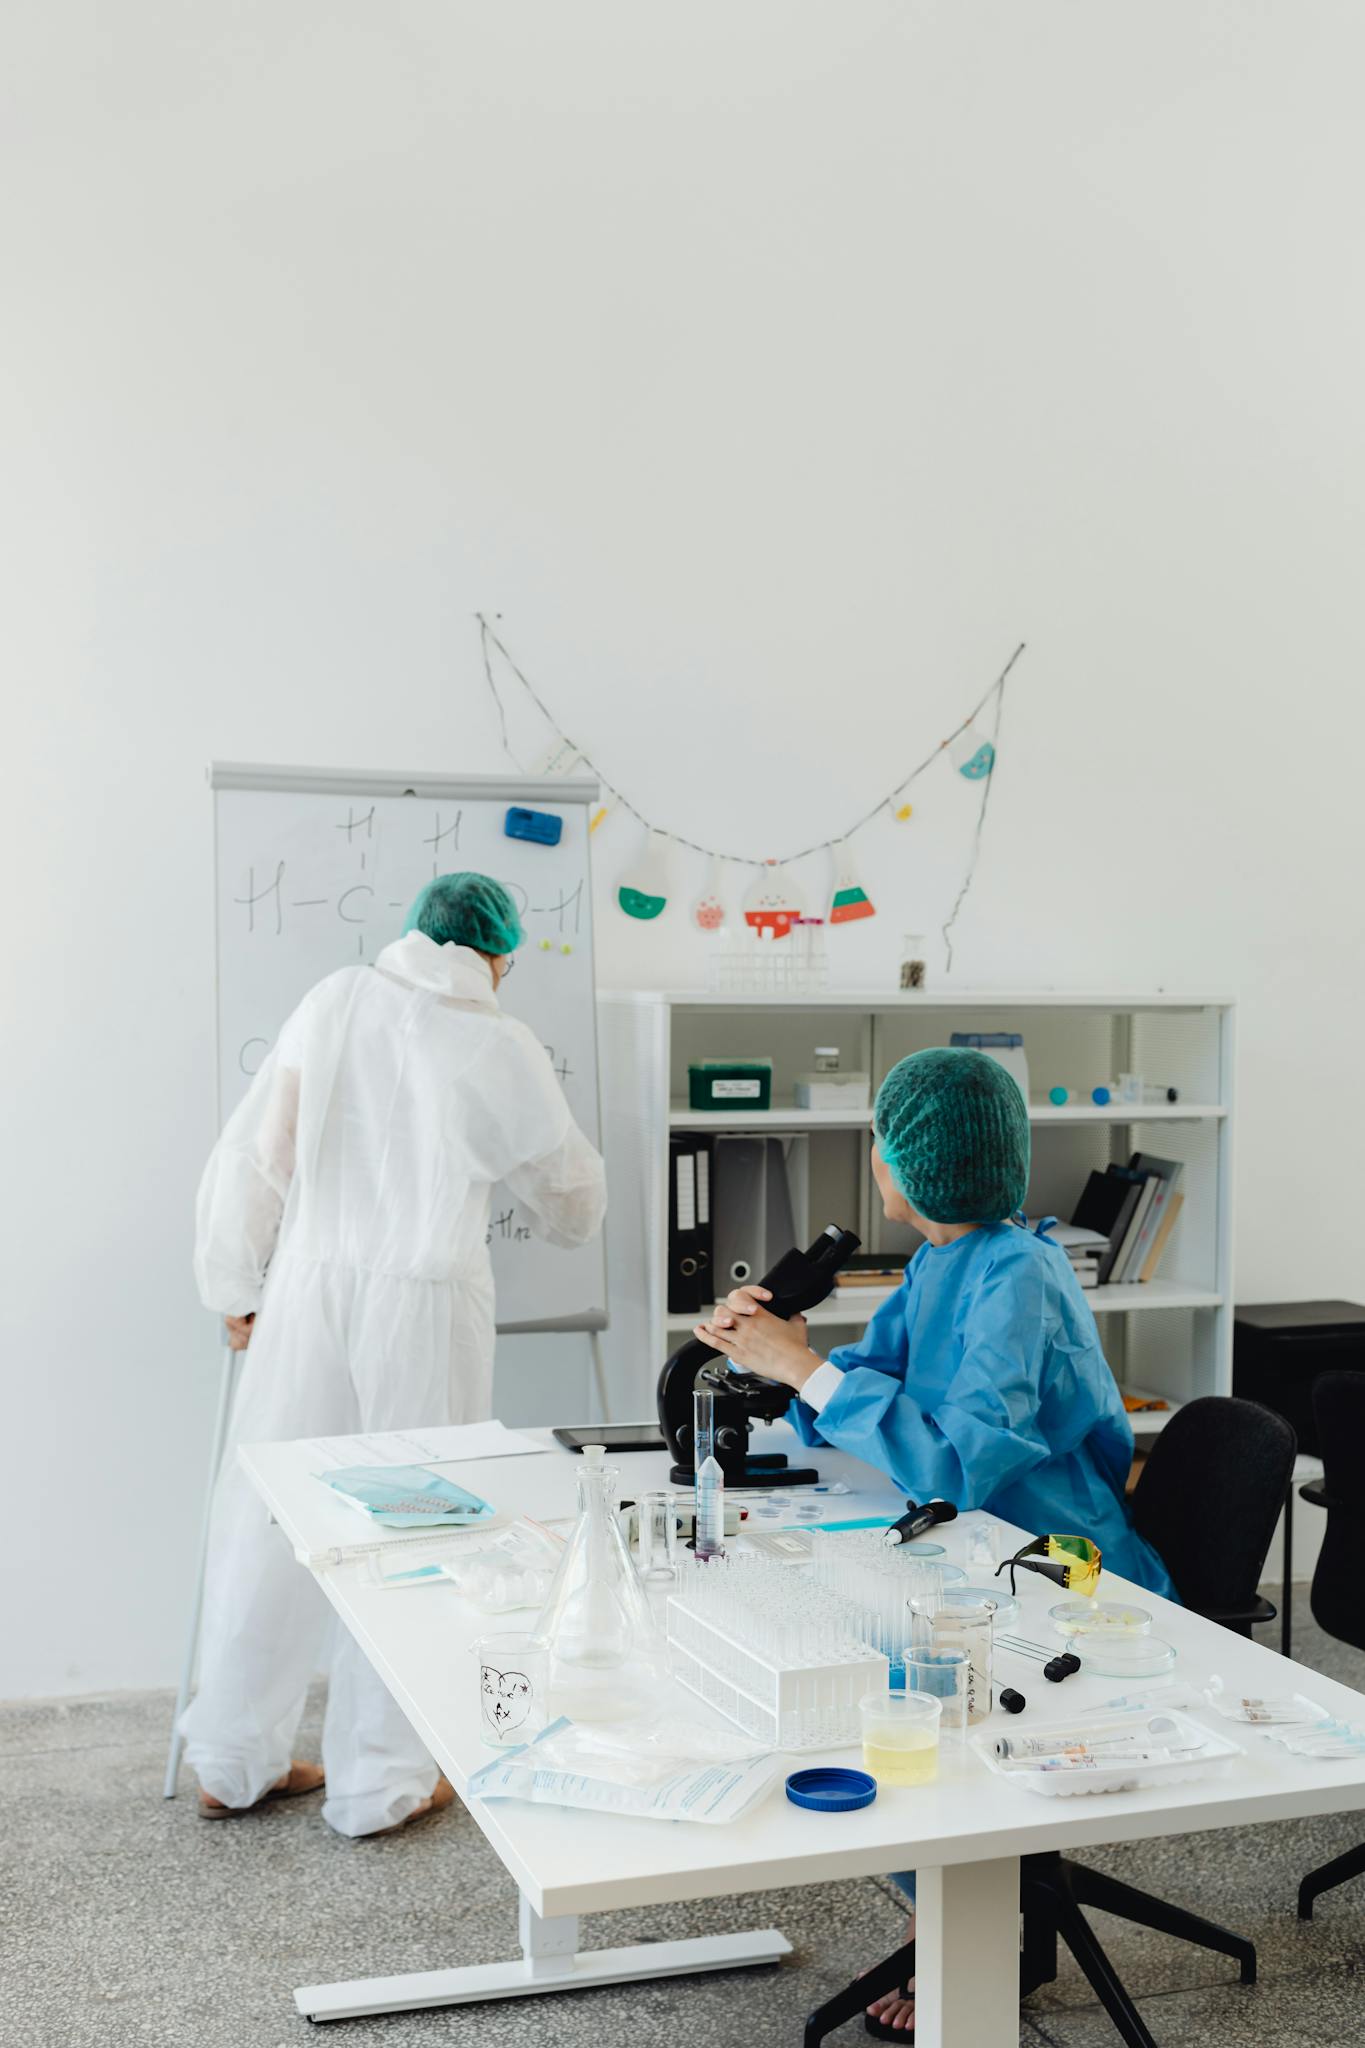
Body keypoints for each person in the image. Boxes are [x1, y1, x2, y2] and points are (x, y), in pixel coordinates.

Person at [695, 1044, 1174, 2037]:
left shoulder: (1024, 1273)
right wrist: (778, 1355)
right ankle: (948, 1902)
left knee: (883, 1678)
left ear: (896, 1166)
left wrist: (808, 1370)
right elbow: (868, 1384)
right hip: (980, 1544)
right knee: (825, 1628)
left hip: (1068, 1563)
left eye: (880, 1141)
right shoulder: (944, 1259)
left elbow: (953, 1459)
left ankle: (973, 1929)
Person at [182, 872, 606, 1837]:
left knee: (270, 1517)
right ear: (499, 952)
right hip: (424, 1304)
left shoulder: (336, 997)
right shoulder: (501, 1043)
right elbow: (575, 1209)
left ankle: (232, 1762)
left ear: (416, 932)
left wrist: (236, 1286)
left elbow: (259, 1152)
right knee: (413, 1537)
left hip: (308, 1288)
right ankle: (379, 1783)